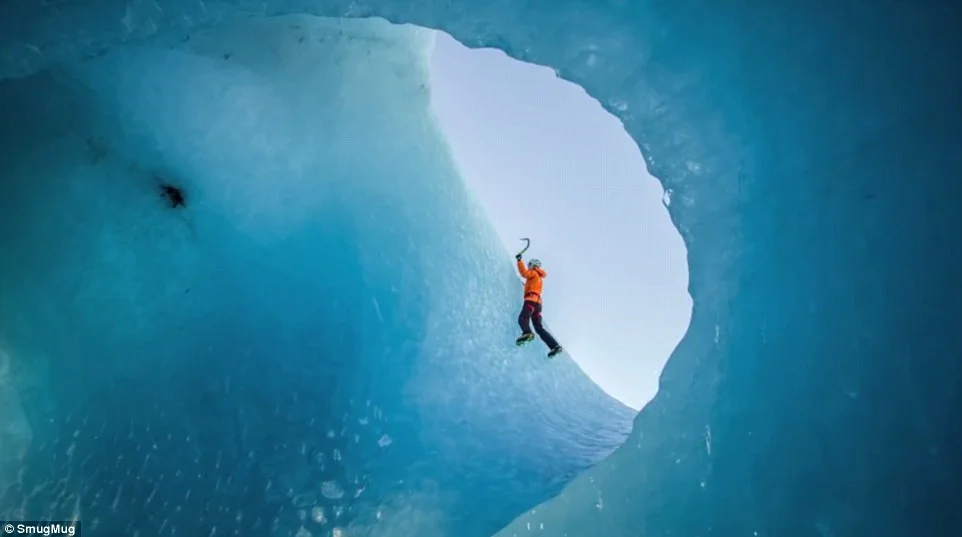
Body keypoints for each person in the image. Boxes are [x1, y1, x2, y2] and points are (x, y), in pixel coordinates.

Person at [514, 253, 564, 357]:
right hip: (538, 305)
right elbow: (532, 286)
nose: (528, 267)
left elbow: (524, 273)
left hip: (531, 301)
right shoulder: (539, 278)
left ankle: (527, 332)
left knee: (523, 319)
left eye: (529, 265)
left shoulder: (533, 272)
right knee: (539, 328)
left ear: (533, 265)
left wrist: (519, 261)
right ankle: (555, 346)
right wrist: (525, 286)